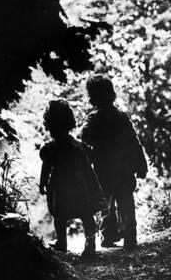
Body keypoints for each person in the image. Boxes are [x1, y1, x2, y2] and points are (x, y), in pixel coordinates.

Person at [81, 74, 148, 250]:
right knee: (126, 202)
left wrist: (97, 144)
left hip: (104, 169)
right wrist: (141, 164)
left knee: (105, 205)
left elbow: (85, 137)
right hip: (124, 168)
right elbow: (134, 142)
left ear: (92, 97)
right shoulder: (122, 116)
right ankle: (130, 237)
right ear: (111, 94)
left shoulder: (93, 118)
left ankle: (108, 236)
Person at [39, 99, 105, 257]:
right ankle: (90, 242)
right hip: (79, 186)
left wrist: (42, 184)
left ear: (49, 125)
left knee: (59, 216)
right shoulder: (78, 146)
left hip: (61, 188)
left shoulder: (50, 148)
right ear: (69, 121)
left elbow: (46, 167)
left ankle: (62, 242)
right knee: (86, 214)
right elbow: (88, 162)